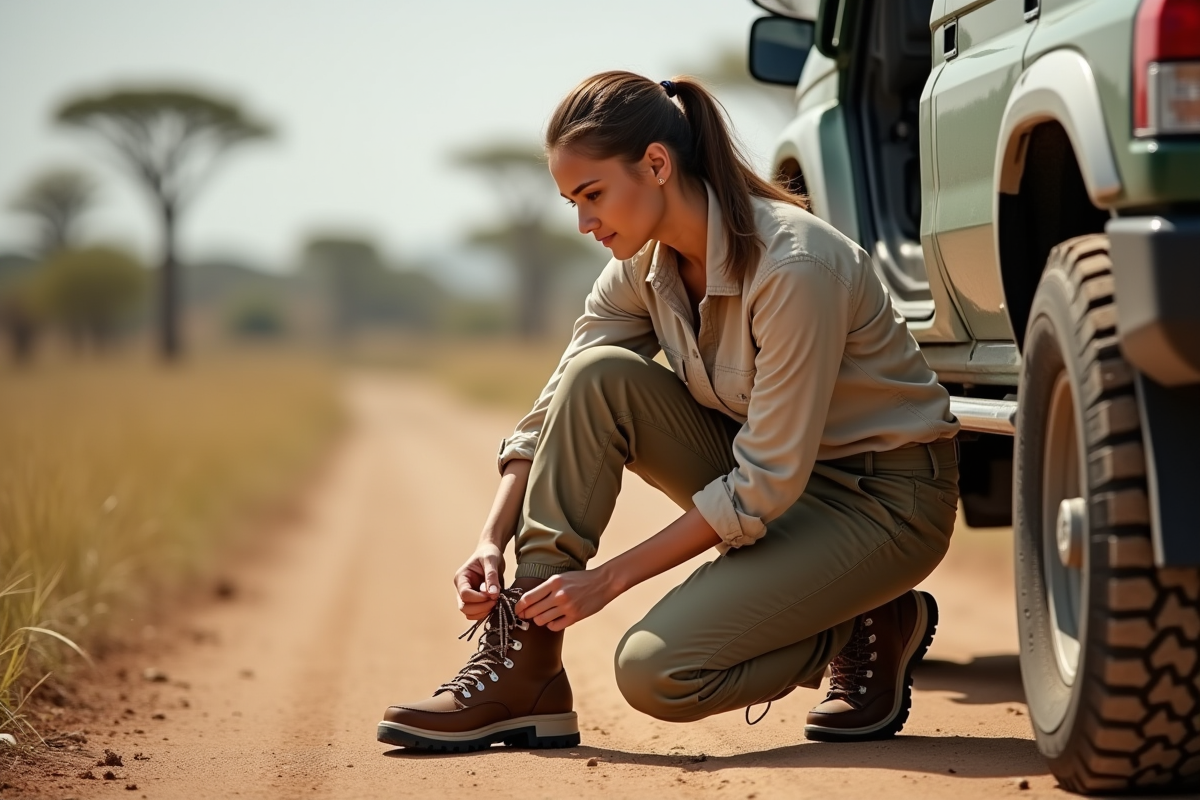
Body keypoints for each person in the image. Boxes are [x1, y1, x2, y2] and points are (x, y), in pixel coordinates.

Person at [377, 71, 960, 752]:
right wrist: (488, 540)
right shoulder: (641, 266)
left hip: (882, 502)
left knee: (657, 673)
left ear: (656, 164)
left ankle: (868, 619)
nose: (584, 222)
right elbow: (558, 403)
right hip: (784, 490)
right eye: (571, 201)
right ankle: (526, 665)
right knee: (598, 377)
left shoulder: (794, 267)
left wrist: (608, 579)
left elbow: (763, 483)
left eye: (592, 195)